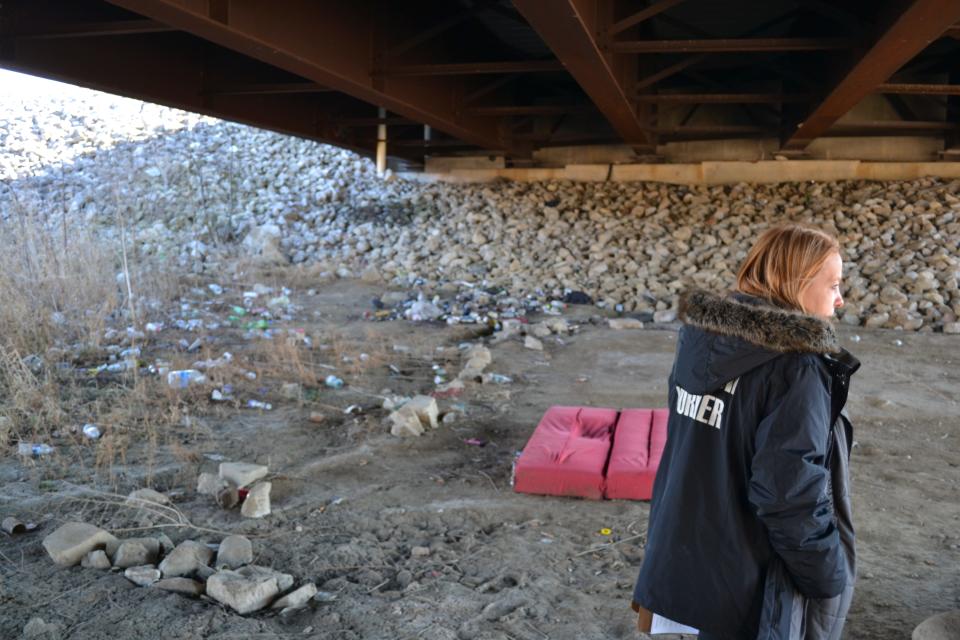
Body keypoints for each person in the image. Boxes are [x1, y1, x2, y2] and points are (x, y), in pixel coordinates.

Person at [631, 224, 860, 640]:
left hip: (671, 571)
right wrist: (829, 576)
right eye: (834, 285)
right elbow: (787, 494)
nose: (840, 300)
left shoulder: (700, 338)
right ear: (795, 283)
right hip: (738, 594)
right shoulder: (796, 366)